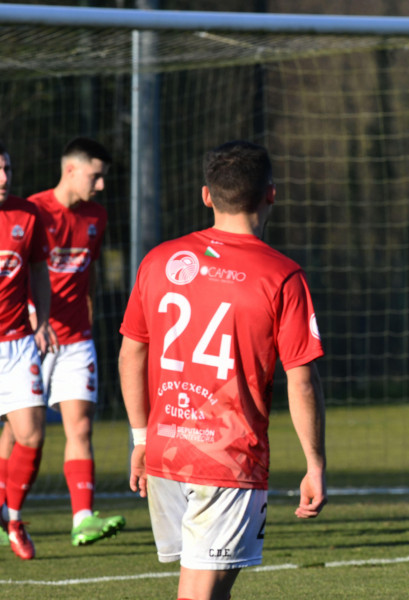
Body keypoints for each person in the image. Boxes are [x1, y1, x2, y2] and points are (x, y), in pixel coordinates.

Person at [118, 140, 327, 600]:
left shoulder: (159, 260)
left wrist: (139, 438)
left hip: (166, 452)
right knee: (200, 594)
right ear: (271, 193)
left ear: (207, 196)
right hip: (226, 459)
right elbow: (302, 379)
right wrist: (315, 464)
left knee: (208, 587)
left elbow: (131, 352)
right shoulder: (282, 276)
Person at [0, 137, 126, 548]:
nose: (101, 184)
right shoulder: (36, 209)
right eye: (96, 175)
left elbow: (77, 274)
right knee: (13, 430)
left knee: (74, 427)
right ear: (71, 169)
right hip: (34, 335)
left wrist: (84, 318)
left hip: (68, 339)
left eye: (8, 170)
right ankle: (7, 515)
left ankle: (82, 518)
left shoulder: (95, 217)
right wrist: (36, 317)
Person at [0, 141, 58, 560]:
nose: (4, 179)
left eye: (7, 169)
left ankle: (13, 518)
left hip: (18, 342)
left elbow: (39, 269)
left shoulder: (27, 215)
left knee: (31, 434)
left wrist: (42, 320)